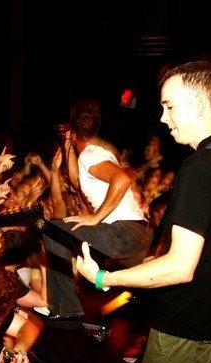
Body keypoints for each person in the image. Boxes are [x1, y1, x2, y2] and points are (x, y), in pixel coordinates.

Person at [76, 61, 211, 363]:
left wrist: (102, 278)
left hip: (188, 334)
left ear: (198, 104)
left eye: (169, 106)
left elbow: (180, 267)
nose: (163, 118)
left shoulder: (199, 167)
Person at [38, 98, 152, 324]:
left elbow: (122, 179)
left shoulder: (90, 155)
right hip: (133, 234)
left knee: (52, 230)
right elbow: (76, 182)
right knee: (149, 285)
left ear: (75, 134)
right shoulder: (92, 154)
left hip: (124, 232)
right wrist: (68, 147)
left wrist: (96, 217)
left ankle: (65, 307)